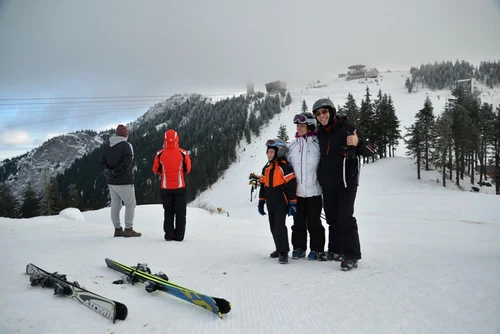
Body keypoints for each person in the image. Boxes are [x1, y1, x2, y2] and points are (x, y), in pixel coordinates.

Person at [312, 98, 375, 271]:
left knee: (345, 217)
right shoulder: (321, 133)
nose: (321, 116)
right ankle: (335, 250)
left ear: (332, 111)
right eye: (318, 113)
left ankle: (351, 255)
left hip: (346, 182)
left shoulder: (347, 128)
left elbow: (370, 150)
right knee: (332, 218)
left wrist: (358, 143)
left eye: (324, 111)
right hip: (328, 183)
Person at [287, 112, 325, 260]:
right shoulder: (293, 146)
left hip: (315, 192)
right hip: (298, 193)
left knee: (315, 222)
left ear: (310, 126)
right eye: (298, 125)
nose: (299, 128)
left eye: (302, 125)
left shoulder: (318, 145)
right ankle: (299, 247)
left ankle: (317, 249)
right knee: (298, 223)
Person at [257, 139, 297, 264]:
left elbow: (291, 185)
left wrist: (292, 202)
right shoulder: (266, 168)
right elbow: (263, 186)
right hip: (270, 202)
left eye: (271, 152)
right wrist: (261, 201)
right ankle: (278, 248)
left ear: (279, 152)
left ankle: (284, 252)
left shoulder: (285, 167)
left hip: (281, 201)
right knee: (273, 227)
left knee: (280, 226)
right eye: (267, 152)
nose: (268, 154)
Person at [100, 124, 141, 237]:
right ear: (125, 135)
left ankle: (117, 229)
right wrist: (115, 172)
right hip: (124, 181)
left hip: (111, 182)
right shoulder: (126, 146)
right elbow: (127, 163)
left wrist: (108, 172)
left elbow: (102, 163)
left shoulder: (108, 146)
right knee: (130, 204)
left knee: (115, 205)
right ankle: (128, 229)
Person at [152, 129, 192, 241]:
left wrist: (164, 173)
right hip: (180, 187)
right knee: (180, 213)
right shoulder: (183, 153)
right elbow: (187, 169)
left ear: (164, 139)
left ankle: (169, 235)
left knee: (168, 212)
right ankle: (179, 236)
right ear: (177, 139)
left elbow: (155, 169)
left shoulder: (159, 154)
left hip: (165, 188)